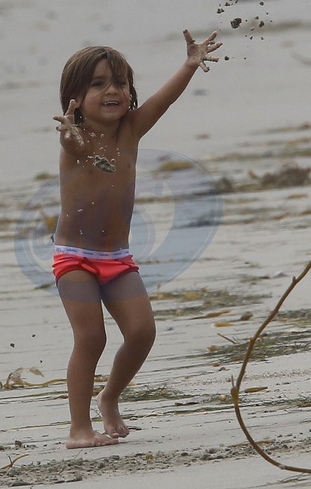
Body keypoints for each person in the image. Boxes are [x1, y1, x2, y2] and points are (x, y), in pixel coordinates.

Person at [52, 29, 222, 449]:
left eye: (120, 83)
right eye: (98, 84)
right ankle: (78, 428)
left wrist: (189, 65)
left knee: (143, 332)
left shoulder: (130, 131)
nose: (112, 91)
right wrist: (69, 134)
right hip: (74, 258)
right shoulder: (75, 138)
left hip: (117, 258)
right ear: (74, 98)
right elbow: (73, 145)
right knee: (91, 338)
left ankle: (109, 396)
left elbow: (163, 101)